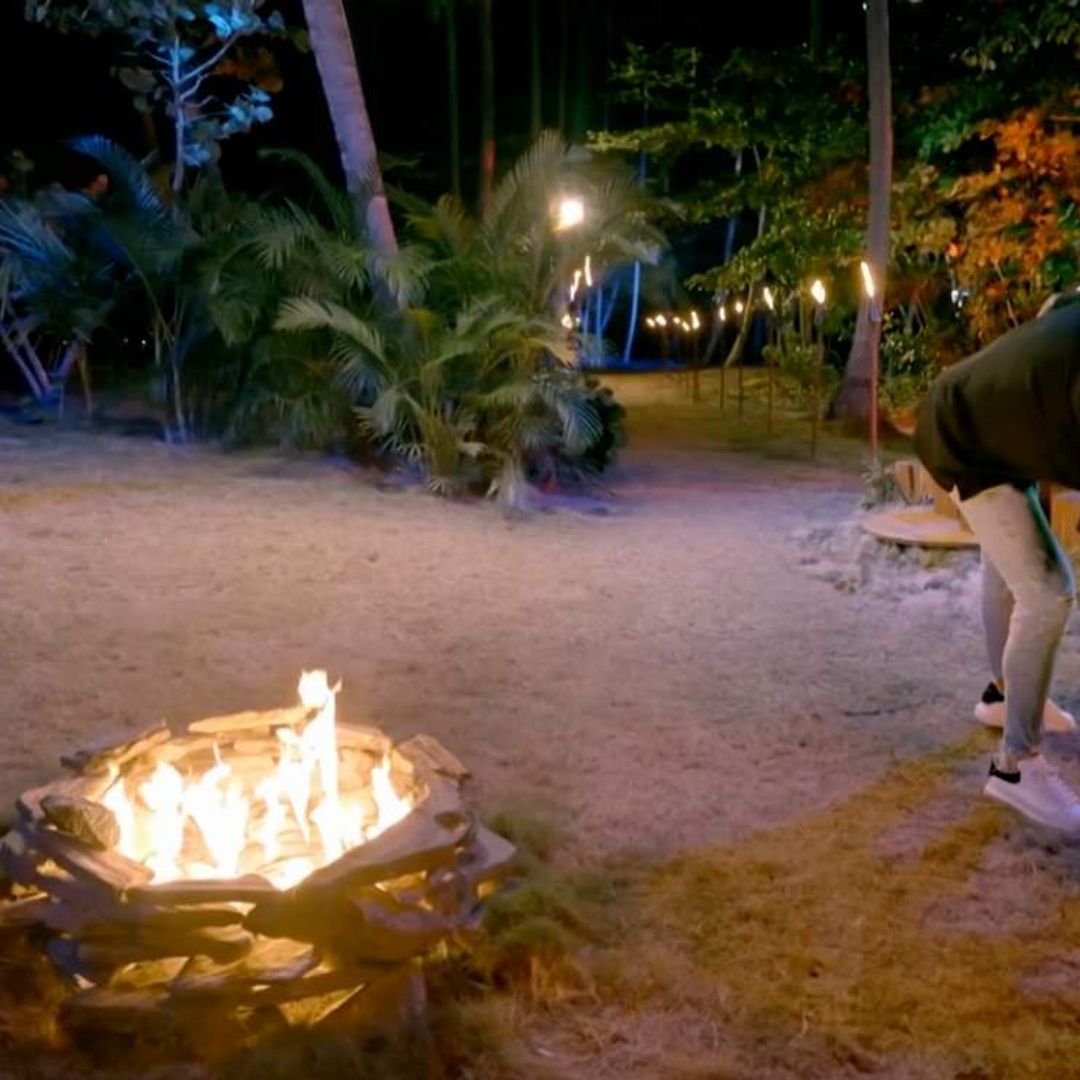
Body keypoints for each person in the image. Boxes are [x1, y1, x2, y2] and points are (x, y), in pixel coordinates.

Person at [914, 291, 1080, 831]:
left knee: (1009, 570)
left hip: (980, 421)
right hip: (963, 437)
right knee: (1048, 591)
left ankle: (1002, 695)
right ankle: (1014, 767)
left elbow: (1054, 306)